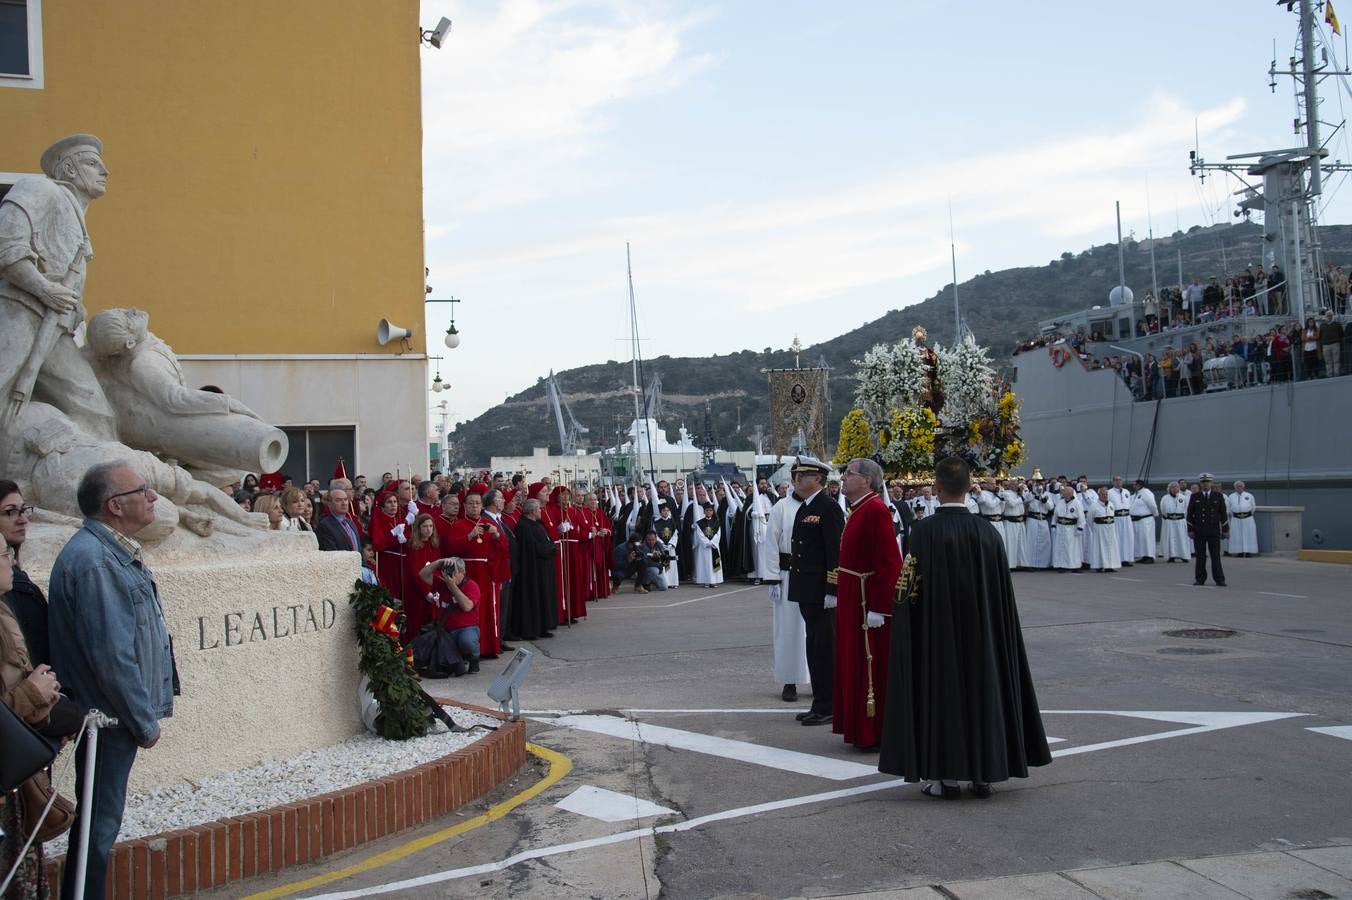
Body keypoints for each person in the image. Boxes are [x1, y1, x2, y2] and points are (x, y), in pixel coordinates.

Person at [877, 456, 1051, 799]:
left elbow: (907, 590)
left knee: (943, 697)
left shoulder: (923, 532)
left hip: (937, 635)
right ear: (970, 488)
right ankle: (984, 775)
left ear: (937, 487)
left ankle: (946, 778)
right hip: (983, 635)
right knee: (983, 692)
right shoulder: (988, 533)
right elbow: (1001, 596)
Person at [48, 461, 177, 900]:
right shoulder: (96, 562)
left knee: (100, 822)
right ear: (115, 506)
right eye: (143, 490)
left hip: (113, 716)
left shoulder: (110, 552)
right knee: (98, 826)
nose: (152, 497)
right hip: (108, 719)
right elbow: (112, 657)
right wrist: (143, 720)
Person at [2, 540, 66, 900]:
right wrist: (31, 694)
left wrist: (42, 697)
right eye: (3, 554)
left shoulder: (4, 607)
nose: (12, 561)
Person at [831, 458, 902, 750]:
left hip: (865, 601)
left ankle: (872, 731)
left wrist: (879, 607)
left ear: (867, 480)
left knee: (867, 663)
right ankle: (857, 727)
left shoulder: (875, 510)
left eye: (849, 474)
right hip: (852, 595)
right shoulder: (858, 509)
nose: (843, 478)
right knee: (852, 660)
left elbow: (889, 562)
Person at [781, 457, 844, 727]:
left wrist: (833, 589)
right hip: (807, 591)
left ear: (818, 479)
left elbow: (835, 552)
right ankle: (820, 703)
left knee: (824, 650)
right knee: (815, 648)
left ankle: (828, 706)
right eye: (795, 475)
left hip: (821, 593)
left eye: (802, 475)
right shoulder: (806, 506)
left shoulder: (828, 507)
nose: (796, 480)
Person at [763, 473, 811, 704]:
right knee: (788, 631)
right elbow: (771, 543)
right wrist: (773, 578)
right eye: (797, 479)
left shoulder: (820, 507)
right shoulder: (781, 507)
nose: (800, 483)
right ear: (793, 482)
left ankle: (818, 678)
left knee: (816, 632)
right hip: (788, 575)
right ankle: (789, 680)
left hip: (814, 575)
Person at [2, 480, 49, 666]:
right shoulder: (7, 586)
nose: (23, 520)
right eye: (10, 512)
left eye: (22, 510)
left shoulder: (16, 577)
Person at [509, 499, 557, 640]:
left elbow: (548, 540)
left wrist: (551, 547)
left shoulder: (537, 524)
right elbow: (533, 547)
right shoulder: (523, 526)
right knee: (532, 598)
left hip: (543, 567)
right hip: (532, 569)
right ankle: (531, 630)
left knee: (543, 597)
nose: (540, 511)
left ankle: (542, 627)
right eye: (539, 509)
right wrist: (549, 549)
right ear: (532, 511)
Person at [1187, 473, 1229, 586]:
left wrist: (1225, 529)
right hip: (1199, 531)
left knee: (1215, 556)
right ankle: (1200, 579)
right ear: (1200, 484)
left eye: (1208, 482)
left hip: (1213, 530)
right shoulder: (1195, 496)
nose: (1205, 484)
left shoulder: (1218, 496)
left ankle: (1219, 579)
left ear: (1211, 483)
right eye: (1203, 482)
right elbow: (1189, 514)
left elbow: (1223, 514)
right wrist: (1190, 529)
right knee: (1200, 556)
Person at [1050, 484, 1085, 572]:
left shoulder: (1077, 503)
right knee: (1061, 547)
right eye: (1064, 492)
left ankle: (1074, 566)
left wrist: (1080, 528)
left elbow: (1081, 517)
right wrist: (1053, 525)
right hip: (1061, 527)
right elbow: (1055, 515)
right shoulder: (1060, 502)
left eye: (1066, 492)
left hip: (1072, 528)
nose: (1064, 493)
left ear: (1071, 493)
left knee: (1072, 548)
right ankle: (1062, 565)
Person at [315, 487, 362, 552]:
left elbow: (359, 549)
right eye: (338, 500)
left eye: (345, 499)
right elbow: (331, 552)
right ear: (329, 504)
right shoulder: (325, 526)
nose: (344, 503)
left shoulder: (351, 523)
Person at [1087, 487, 1121, 572]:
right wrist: (1096, 528)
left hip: (1110, 530)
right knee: (1099, 548)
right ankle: (1099, 566)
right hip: (1100, 531)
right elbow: (1089, 520)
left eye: (1106, 494)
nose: (1105, 496)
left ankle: (1109, 566)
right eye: (1103, 494)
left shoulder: (1111, 504)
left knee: (1111, 548)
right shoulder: (1094, 506)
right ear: (1099, 495)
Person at [690, 503, 723, 587]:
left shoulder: (716, 522)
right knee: (705, 563)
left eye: (710, 510)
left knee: (713, 563)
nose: (709, 512)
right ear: (704, 512)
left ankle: (714, 581)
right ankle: (706, 581)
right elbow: (699, 534)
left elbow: (718, 534)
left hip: (714, 546)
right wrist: (707, 542)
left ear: (713, 512)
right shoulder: (699, 523)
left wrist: (713, 542)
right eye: (707, 510)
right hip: (704, 547)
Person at [1159, 482, 1192, 562]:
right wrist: (1169, 516)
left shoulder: (1183, 498)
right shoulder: (1165, 498)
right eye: (1172, 487)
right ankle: (1171, 556)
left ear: (1178, 488)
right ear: (1169, 489)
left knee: (1182, 539)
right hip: (1170, 521)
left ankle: (1184, 556)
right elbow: (1162, 509)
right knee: (1170, 538)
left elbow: (1186, 509)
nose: (1174, 489)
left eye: (1176, 487)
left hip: (1180, 521)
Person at [1128, 479, 1159, 564]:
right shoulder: (1135, 494)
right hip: (1136, 520)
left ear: (1139, 485)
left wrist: (1155, 514)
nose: (1133, 486)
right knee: (1141, 539)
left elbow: (1152, 505)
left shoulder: (1146, 493)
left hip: (1146, 520)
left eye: (1134, 484)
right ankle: (1143, 556)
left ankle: (1150, 556)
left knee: (1147, 538)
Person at [1226, 481, 1258, 558]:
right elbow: (1229, 508)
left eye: (1240, 486)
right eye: (1237, 486)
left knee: (1249, 535)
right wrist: (1235, 514)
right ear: (1235, 488)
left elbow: (1253, 507)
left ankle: (1248, 552)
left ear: (1243, 487)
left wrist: (1246, 514)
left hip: (1248, 519)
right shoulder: (1231, 496)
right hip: (1236, 519)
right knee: (1236, 535)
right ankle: (1239, 552)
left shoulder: (1249, 495)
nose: (1239, 488)